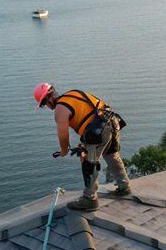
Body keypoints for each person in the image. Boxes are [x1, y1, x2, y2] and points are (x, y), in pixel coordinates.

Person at [34, 83, 131, 211]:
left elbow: (63, 135)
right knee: (111, 155)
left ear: (49, 98)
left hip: (99, 129)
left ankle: (89, 199)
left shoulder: (60, 109)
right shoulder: (72, 94)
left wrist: (64, 152)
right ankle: (124, 186)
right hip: (112, 120)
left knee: (89, 163)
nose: (46, 106)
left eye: (43, 104)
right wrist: (86, 144)